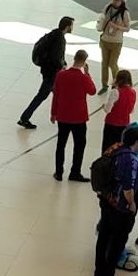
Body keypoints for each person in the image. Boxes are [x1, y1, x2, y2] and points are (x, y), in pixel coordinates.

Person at [91, 125, 138, 276]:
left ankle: (98, 272)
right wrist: (132, 203)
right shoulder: (130, 159)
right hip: (119, 206)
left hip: (106, 200)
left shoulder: (114, 148)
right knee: (117, 241)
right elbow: (128, 187)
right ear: (137, 142)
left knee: (104, 237)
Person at [17, 16, 74, 128]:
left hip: (47, 70)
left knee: (58, 94)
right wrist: (62, 66)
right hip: (52, 74)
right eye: (72, 25)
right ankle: (24, 118)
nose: (72, 27)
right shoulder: (60, 39)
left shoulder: (54, 34)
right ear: (67, 27)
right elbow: (56, 57)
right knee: (43, 95)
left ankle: (61, 117)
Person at [50, 49, 95, 182]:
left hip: (63, 115)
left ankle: (59, 172)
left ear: (74, 58)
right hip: (79, 117)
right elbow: (92, 91)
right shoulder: (83, 78)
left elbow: (56, 95)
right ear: (84, 62)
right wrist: (88, 74)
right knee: (79, 145)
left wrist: (53, 113)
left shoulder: (61, 75)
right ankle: (75, 172)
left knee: (61, 144)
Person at [96, 0, 130, 92]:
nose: (114, 1)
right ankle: (104, 85)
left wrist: (116, 27)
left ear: (122, 1)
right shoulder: (107, 7)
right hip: (105, 39)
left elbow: (127, 28)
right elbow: (102, 18)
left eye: (117, 0)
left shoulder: (124, 13)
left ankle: (117, 83)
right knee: (104, 64)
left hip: (116, 42)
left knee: (112, 64)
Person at [101, 68, 137, 156]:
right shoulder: (133, 92)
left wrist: (104, 106)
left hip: (111, 124)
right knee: (119, 148)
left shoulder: (115, 92)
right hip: (124, 125)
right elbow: (131, 110)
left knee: (107, 147)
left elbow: (107, 109)